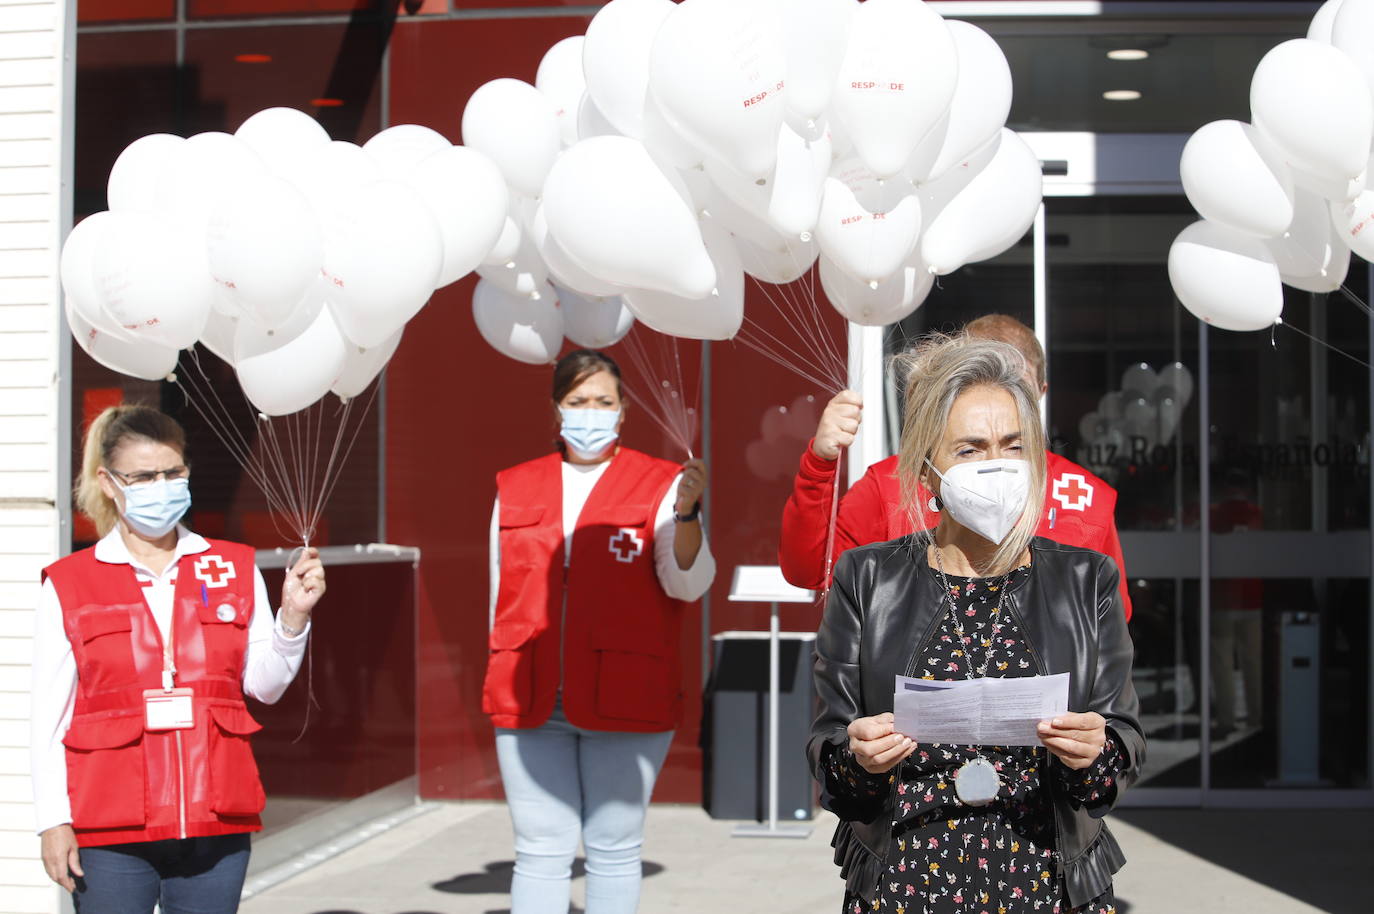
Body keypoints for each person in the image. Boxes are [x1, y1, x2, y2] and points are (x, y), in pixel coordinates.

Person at [809, 334, 1144, 914]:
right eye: (969, 449)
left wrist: (1094, 751)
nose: (996, 465)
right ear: (924, 465)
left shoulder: (1087, 580)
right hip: (906, 884)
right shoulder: (866, 579)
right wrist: (858, 758)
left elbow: (1121, 750)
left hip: (1050, 886)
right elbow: (830, 753)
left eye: (1013, 445)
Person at [30, 405, 325, 911]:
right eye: (144, 477)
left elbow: (265, 686)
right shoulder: (70, 583)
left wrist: (292, 619)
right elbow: (47, 718)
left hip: (216, 820)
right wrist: (52, 820)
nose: (161, 486)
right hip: (110, 827)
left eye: (173, 473)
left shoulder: (230, 565)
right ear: (108, 481)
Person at [485, 349, 715, 914]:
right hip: (530, 695)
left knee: (613, 850)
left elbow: (686, 583)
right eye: (578, 401)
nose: (590, 413)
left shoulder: (660, 483)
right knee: (539, 851)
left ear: (623, 409)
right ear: (556, 408)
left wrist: (687, 514)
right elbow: (498, 595)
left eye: (603, 402)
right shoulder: (514, 486)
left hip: (628, 694)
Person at [780, 313, 1132, 620]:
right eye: (976, 378)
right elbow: (810, 570)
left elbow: (1109, 622)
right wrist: (820, 465)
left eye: (1014, 384)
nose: (995, 398)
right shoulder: (892, 482)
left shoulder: (1086, 497)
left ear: (1038, 391)